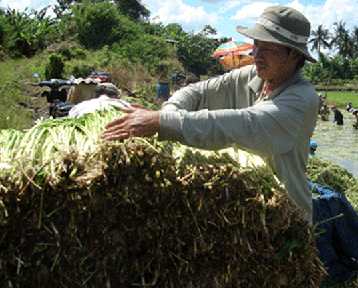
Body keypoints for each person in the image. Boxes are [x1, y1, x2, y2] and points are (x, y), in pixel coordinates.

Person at [100, 5, 319, 224]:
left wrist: (163, 122)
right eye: (256, 44)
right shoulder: (250, 76)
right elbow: (197, 92)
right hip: (243, 212)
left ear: (294, 56)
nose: (256, 54)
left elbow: (241, 125)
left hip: (286, 219)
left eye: (269, 48)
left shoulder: (302, 99)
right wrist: (169, 111)